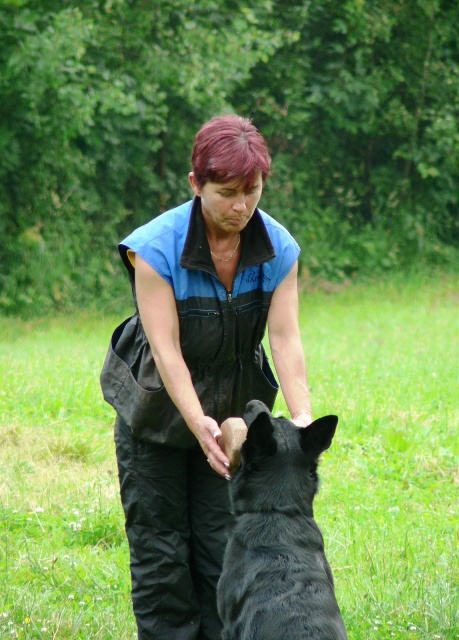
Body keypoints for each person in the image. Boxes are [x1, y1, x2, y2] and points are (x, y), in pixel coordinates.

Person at [100, 114, 313, 640]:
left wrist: (302, 418)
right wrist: (197, 422)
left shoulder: (279, 248)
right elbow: (166, 349)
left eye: (252, 191)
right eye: (227, 192)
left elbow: (284, 338)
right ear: (196, 185)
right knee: (160, 553)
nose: (241, 206)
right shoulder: (154, 248)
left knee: (223, 551)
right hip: (155, 413)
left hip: (234, 414)